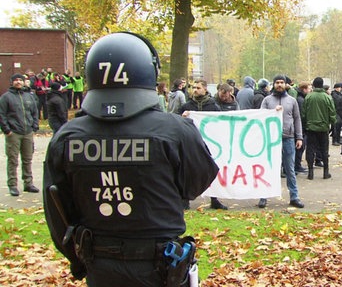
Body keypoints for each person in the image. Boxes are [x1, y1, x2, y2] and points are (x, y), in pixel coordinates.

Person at [43, 32, 219, 286]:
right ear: (150, 72)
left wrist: (79, 258)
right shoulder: (176, 130)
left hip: (100, 265)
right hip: (160, 267)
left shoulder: (66, 136)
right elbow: (197, 183)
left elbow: (57, 212)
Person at [179, 79, 228, 210]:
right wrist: (182, 118)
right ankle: (185, 199)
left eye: (198, 88)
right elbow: (176, 123)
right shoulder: (186, 106)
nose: (195, 90)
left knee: (211, 170)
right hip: (191, 144)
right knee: (188, 171)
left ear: (205, 89)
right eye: (194, 87)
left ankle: (214, 199)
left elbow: (221, 123)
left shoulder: (213, 106)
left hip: (209, 144)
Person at [258, 74, 304, 209]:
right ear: (273, 84)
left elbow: (297, 119)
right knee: (268, 168)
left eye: (281, 82)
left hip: (288, 138)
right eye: (277, 82)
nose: (279, 85)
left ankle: (294, 197)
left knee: (290, 169)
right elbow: (261, 116)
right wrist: (273, 111)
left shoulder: (292, 101)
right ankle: (263, 196)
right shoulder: (267, 100)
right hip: (271, 139)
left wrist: (299, 137)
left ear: (285, 85)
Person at [0, 73, 40, 197]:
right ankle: (12, 184)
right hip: (14, 133)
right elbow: (2, 114)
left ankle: (28, 183)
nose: (18, 82)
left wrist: (34, 125)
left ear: (24, 82)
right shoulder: (6, 97)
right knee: (13, 160)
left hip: (27, 132)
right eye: (16, 80)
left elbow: (34, 112)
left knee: (27, 159)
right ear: (12, 82)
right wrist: (7, 130)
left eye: (20, 80)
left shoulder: (29, 96)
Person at [302, 77, 336, 180]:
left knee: (310, 150)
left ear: (313, 85)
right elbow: (332, 113)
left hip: (311, 128)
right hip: (323, 128)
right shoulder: (327, 97)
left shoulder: (308, 97)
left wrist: (305, 125)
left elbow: (304, 113)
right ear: (322, 85)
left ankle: (310, 173)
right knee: (324, 150)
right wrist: (331, 124)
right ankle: (326, 172)